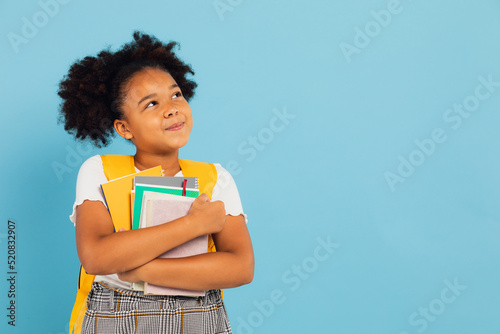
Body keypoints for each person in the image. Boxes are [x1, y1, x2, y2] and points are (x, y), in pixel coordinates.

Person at [58, 31, 254, 334]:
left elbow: (241, 267)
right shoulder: (100, 171)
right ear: (124, 128)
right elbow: (97, 257)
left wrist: (143, 269)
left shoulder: (215, 178)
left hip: (199, 316)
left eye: (176, 95)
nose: (172, 107)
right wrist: (193, 225)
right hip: (116, 314)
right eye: (151, 104)